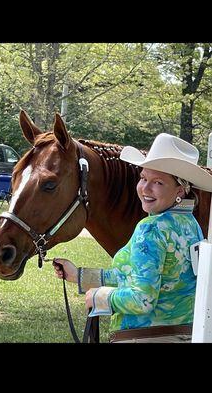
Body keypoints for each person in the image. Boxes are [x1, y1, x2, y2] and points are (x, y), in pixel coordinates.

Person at [53, 133, 212, 343]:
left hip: (143, 337)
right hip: (182, 335)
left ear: (180, 190)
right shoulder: (190, 225)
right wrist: (78, 276)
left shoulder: (151, 229)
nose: (145, 188)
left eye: (158, 182)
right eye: (143, 178)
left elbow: (142, 300)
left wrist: (98, 296)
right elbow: (140, 276)